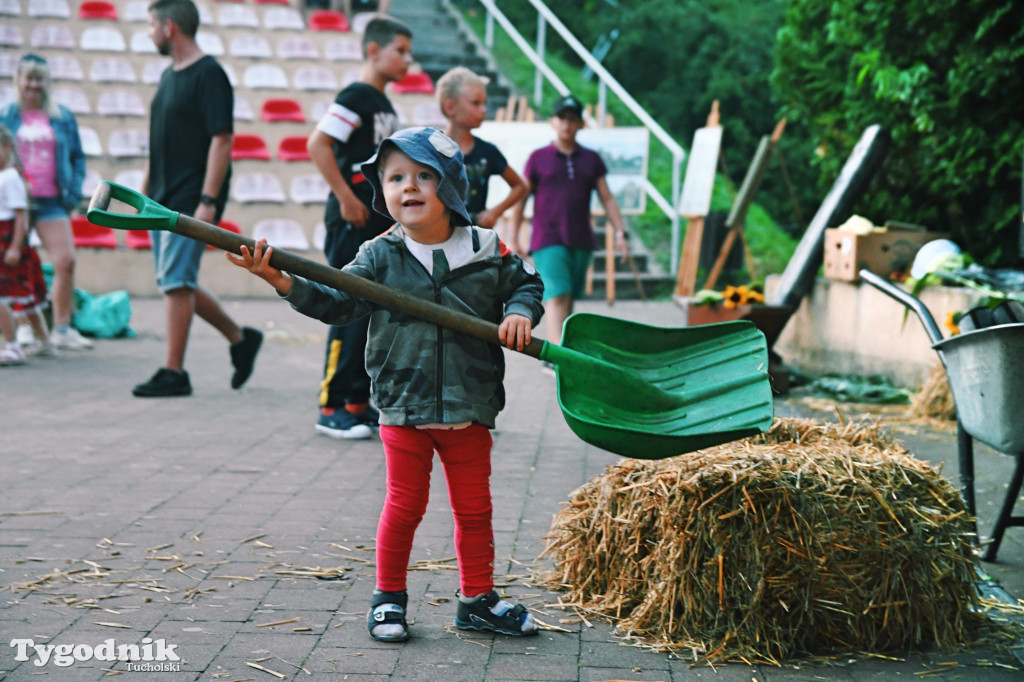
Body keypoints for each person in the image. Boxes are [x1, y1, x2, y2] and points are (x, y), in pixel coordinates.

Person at [227, 127, 544, 642]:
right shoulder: (378, 255)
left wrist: (520, 314)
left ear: (452, 186)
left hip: (471, 402)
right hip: (402, 403)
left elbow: (527, 282)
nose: (409, 187)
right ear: (383, 192)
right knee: (404, 504)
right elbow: (336, 301)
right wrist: (279, 279)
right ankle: (388, 599)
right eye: (395, 177)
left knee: (475, 509)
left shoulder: (486, 248)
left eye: (423, 175)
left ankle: (478, 600)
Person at [133, 0, 262, 397]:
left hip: (191, 196)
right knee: (177, 281)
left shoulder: (210, 74)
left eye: (153, 24)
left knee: (175, 281)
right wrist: (144, 190)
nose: (150, 32)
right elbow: (160, 142)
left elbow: (221, 139)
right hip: (161, 197)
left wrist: (207, 199)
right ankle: (240, 339)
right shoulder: (169, 77)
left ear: (170, 27)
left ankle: (174, 371)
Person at [305, 15, 411, 439]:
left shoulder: (385, 105)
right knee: (345, 309)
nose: (408, 60)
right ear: (373, 51)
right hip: (350, 222)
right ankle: (330, 406)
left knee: (368, 313)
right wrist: (347, 198)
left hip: (375, 225)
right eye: (400, 51)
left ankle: (356, 401)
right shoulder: (356, 97)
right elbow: (319, 143)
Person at [509, 94, 626, 350]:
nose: (566, 124)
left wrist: (619, 232)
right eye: (562, 118)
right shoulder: (538, 158)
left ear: (581, 124)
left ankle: (565, 351)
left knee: (568, 296)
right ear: (552, 121)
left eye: (573, 119)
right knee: (557, 294)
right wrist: (514, 236)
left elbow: (606, 197)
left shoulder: (591, 159)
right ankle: (555, 355)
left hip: (581, 237)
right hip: (547, 237)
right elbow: (521, 198)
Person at [0, 53, 91, 351]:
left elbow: (77, 157)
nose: (34, 85)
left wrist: (74, 192)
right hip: (17, 204)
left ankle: (62, 327)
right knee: (17, 266)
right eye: (29, 78)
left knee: (66, 260)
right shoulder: (6, 116)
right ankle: (25, 327)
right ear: (19, 81)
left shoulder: (62, 117)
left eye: (40, 79)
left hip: (53, 199)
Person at [436, 66, 528, 233]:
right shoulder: (431, 149)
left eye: (484, 103)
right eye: (476, 103)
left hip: (474, 238)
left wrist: (494, 212)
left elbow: (520, 186)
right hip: (436, 237)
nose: (484, 109)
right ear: (450, 107)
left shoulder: (488, 152)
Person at [0, 123, 54, 365]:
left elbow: (21, 215)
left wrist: (14, 247)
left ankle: (13, 347)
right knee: (25, 299)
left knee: (9, 297)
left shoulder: (11, 177)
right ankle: (44, 342)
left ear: (7, 147)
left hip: (10, 241)